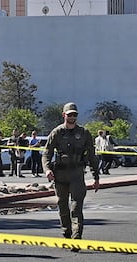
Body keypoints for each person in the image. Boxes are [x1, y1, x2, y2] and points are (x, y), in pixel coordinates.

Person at [43, 103, 100, 250]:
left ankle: (76, 238)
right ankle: (66, 234)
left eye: (74, 115)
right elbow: (47, 153)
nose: (72, 117)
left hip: (76, 174)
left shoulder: (84, 133)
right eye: (70, 115)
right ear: (64, 115)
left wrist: (96, 177)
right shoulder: (57, 132)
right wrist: (47, 169)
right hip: (60, 175)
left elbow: (92, 156)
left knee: (76, 207)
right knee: (62, 205)